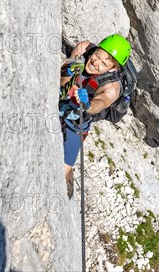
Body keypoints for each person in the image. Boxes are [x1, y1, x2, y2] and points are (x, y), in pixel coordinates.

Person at [59, 34, 132, 198]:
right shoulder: (84, 49)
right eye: (97, 55)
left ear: (113, 68)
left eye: (104, 63)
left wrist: (88, 105)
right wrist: (68, 70)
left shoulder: (112, 87)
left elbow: (101, 103)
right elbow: (63, 81)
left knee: (64, 167)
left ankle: (68, 176)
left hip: (79, 118)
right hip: (66, 95)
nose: (95, 63)